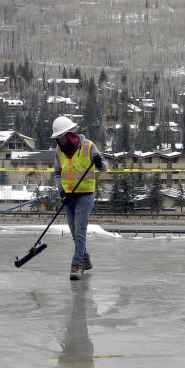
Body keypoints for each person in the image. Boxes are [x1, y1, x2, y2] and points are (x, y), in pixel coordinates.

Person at [52, 115, 107, 280]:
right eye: (58, 138)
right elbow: (57, 173)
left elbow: (104, 168)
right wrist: (62, 192)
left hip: (85, 196)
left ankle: (76, 265)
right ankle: (86, 260)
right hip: (68, 196)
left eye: (61, 138)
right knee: (75, 233)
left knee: (80, 230)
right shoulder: (58, 150)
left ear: (70, 134)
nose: (60, 141)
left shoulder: (88, 146)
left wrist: (98, 163)